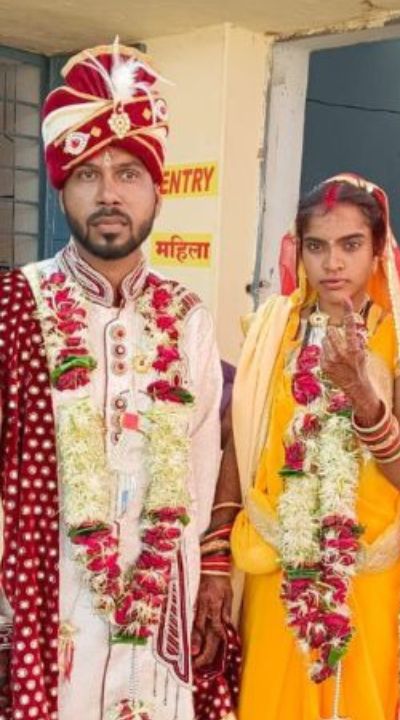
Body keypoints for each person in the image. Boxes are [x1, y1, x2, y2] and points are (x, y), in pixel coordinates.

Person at [0, 41, 222, 718]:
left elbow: (201, 464)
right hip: (44, 600)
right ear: (61, 189)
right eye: (86, 174)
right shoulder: (17, 305)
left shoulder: (189, 317)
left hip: (157, 604)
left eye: (128, 173)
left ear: (157, 189)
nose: (108, 194)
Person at [210, 174, 400, 719]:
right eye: (316, 246)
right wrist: (216, 555)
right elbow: (240, 443)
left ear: (377, 250)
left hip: (365, 571)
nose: (332, 263)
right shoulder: (274, 329)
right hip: (277, 560)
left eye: (350, 245)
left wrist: (364, 398)